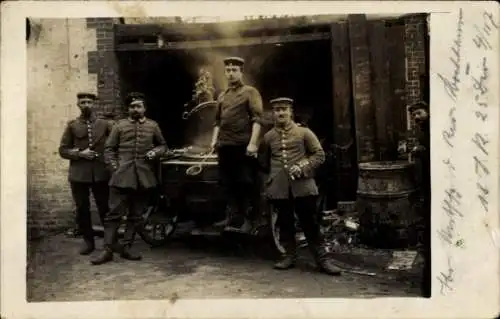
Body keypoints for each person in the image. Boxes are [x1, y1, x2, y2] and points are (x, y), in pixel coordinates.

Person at [259, 97, 342, 275]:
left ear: (291, 112)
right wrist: (273, 180)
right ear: (273, 114)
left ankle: (322, 260)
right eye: (277, 110)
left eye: (284, 109)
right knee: (284, 222)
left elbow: (319, 155)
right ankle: (289, 256)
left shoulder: (304, 133)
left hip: (303, 186)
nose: (281, 113)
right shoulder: (268, 137)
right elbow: (264, 163)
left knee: (310, 223)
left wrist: (302, 166)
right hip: (280, 188)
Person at [91, 92, 167, 265]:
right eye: (132, 106)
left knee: (136, 215)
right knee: (113, 215)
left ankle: (126, 247)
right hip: (121, 177)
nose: (135, 109)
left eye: (139, 106)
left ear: (144, 108)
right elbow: (109, 149)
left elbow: (163, 146)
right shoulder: (119, 126)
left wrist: (154, 152)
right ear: (128, 108)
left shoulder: (153, 126)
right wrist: (114, 168)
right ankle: (107, 250)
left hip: (143, 177)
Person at [210, 56, 264, 232]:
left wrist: (253, 143)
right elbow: (218, 122)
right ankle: (233, 217)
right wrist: (213, 141)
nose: (231, 73)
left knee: (246, 182)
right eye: (228, 70)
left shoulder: (250, 92)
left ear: (241, 72)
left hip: (243, 145)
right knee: (227, 183)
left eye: (235, 70)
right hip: (225, 146)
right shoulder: (222, 96)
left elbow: (257, 120)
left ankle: (251, 219)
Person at [59, 92, 113, 255]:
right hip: (79, 174)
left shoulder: (105, 125)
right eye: (83, 102)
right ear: (78, 105)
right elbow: (62, 150)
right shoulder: (72, 125)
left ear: (94, 104)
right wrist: (80, 154)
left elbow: (114, 146)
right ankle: (88, 242)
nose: (86, 105)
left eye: (89, 102)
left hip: (100, 173)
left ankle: (110, 242)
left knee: (105, 208)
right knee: (82, 208)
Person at [409, 101, 431, 297]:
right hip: (424, 179)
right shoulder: (422, 129)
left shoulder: (432, 127)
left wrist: (421, 150)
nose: (416, 117)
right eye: (414, 115)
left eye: (419, 113)